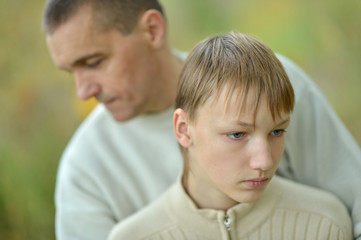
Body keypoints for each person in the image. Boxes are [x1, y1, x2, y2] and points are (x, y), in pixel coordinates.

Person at [42, 0, 361, 239]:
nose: (83, 91)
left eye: (95, 62)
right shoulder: (83, 170)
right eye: (72, 71)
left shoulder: (273, 85)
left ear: (152, 30)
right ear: (183, 130)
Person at [108, 31, 353, 240]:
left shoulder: (325, 224)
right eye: (237, 134)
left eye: (276, 131)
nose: (265, 161)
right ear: (183, 129)